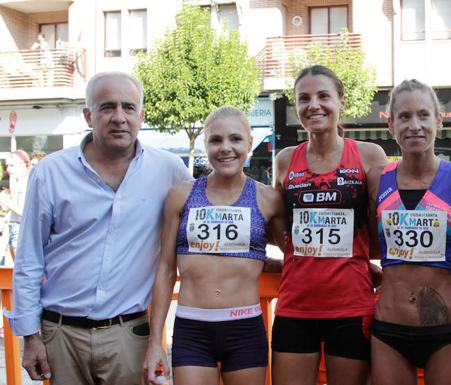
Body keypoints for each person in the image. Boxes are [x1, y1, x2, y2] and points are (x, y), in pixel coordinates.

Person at [7, 71, 192, 385]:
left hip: (130, 337)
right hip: (60, 336)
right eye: (107, 107)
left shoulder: (170, 170)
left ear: (141, 115)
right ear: (88, 115)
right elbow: (28, 259)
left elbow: (203, 223)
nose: (119, 117)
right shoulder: (51, 172)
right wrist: (30, 336)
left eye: (128, 108)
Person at [143, 106, 285, 385]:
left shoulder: (269, 199)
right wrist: (154, 342)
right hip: (192, 328)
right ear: (205, 144)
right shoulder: (181, 196)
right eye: (216, 140)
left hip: (245, 329)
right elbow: (165, 269)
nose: (226, 148)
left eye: (235, 139)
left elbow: (295, 255)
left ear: (249, 143)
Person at [271, 65, 387, 385]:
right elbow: (281, 226)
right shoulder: (284, 160)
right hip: (295, 305)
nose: (314, 105)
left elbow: (387, 218)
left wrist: (363, 258)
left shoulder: (369, 155)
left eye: (324, 96)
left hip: (351, 306)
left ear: (342, 101)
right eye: (304, 98)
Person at [368, 79, 451, 385]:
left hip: (446, 333)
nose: (414, 125)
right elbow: (370, 248)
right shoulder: (377, 180)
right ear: (391, 124)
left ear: (439, 120)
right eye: (404, 117)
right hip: (388, 331)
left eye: (423, 115)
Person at [0, 150, 30, 262]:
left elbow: (22, 211)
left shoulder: (25, 182)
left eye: (12, 165)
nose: (8, 169)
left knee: (20, 269)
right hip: (13, 227)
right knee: (12, 269)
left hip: (20, 228)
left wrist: (5, 200)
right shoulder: (17, 181)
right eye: (7, 165)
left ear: (24, 164)